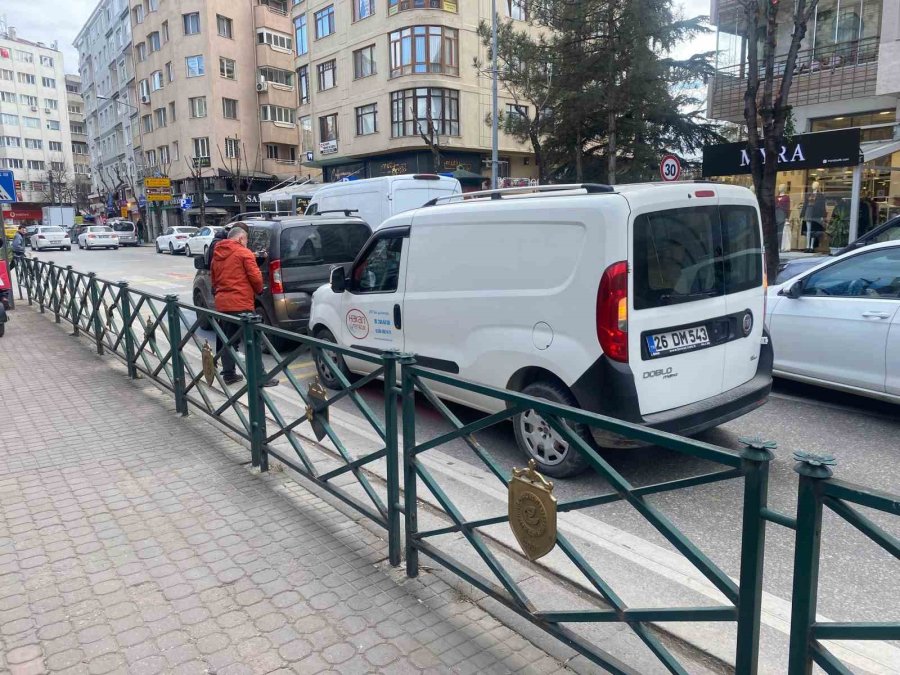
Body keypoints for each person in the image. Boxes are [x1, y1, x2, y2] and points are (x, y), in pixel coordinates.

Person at [210, 227, 277, 387]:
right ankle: (259, 376)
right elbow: (256, 277)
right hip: (241, 303)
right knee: (252, 340)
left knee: (228, 340)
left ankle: (229, 374)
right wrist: (259, 290)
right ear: (240, 239)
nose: (246, 243)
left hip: (223, 304)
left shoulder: (217, 255)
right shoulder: (244, 253)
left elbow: (214, 280)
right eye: (246, 240)